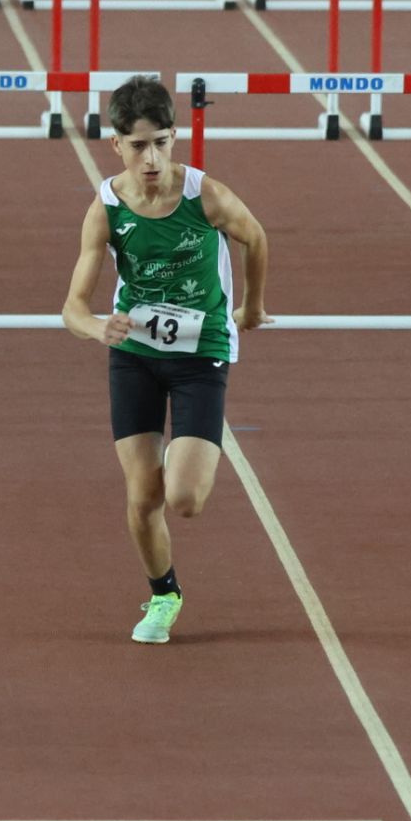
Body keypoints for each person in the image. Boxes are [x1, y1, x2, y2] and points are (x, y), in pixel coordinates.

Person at [62, 75, 272, 644]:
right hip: (134, 355)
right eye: (138, 146)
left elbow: (255, 237)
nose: (151, 158)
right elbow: (72, 308)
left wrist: (252, 306)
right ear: (116, 145)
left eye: (160, 143)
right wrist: (97, 327)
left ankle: (186, 457)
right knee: (143, 494)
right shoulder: (107, 208)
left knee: (184, 499)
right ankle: (164, 595)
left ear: (174, 137)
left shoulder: (206, 196)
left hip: (201, 353)